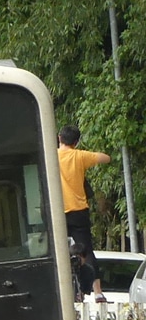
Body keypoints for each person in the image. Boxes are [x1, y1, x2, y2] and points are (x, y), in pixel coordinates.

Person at [58, 125, 112, 302]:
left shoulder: (51, 156)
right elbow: (106, 158)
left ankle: (62, 290)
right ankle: (97, 292)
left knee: (57, 250)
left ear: (59, 138)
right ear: (76, 142)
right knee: (86, 250)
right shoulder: (80, 156)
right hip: (79, 211)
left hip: (57, 212)